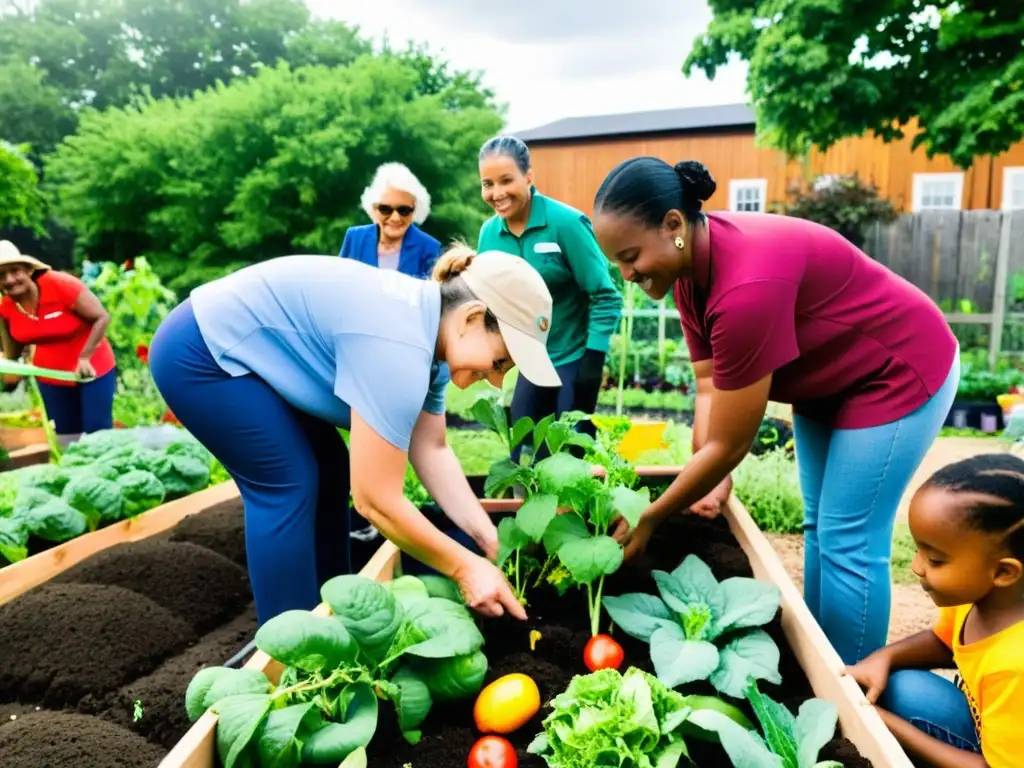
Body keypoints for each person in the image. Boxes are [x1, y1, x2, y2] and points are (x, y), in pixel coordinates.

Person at [590, 156, 959, 665]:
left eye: (630, 256)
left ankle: (854, 687)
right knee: (819, 530)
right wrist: (710, 475)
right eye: (617, 262)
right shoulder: (689, 272)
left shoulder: (744, 289)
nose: (626, 274)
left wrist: (652, 516)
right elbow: (708, 386)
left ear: (672, 224)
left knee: (848, 539)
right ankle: (820, 663)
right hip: (829, 378)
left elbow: (731, 443)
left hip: (897, 368)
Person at [148, 244, 560, 626]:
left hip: (236, 352)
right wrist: (465, 567)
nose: (495, 378)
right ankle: (290, 654)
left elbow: (430, 447)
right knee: (289, 482)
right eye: (501, 360)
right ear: (471, 318)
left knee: (329, 469)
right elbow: (375, 501)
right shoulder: (396, 347)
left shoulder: (429, 343)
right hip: (201, 353)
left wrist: (487, 539)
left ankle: (332, 615)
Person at [847, 454, 1024, 768]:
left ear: (1004, 573)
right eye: (919, 551)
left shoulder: (1015, 664)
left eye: (936, 560)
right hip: (997, 732)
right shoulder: (983, 600)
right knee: (904, 687)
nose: (916, 567)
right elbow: (943, 643)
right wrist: (882, 658)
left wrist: (884, 724)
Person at [477, 136, 621, 459]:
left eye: (506, 180)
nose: (496, 193)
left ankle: (575, 508)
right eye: (488, 184)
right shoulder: (489, 234)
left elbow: (605, 294)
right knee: (522, 454)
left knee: (568, 452)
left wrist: (593, 359)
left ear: (528, 177)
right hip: (530, 360)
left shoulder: (566, 224)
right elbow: (488, 298)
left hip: (572, 357)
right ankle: (519, 506)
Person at [0, 240, 115, 440]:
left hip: (92, 368)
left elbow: (101, 317)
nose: (9, 280)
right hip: (50, 375)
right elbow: (14, 349)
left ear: (28, 269)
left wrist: (85, 357)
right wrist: (8, 369)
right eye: (1, 275)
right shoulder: (6, 308)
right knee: (65, 435)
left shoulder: (60, 284)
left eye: (15, 271)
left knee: (98, 433)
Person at [339, 162, 441, 279]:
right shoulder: (355, 237)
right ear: (374, 208)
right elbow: (340, 283)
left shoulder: (430, 248)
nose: (395, 218)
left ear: (415, 210)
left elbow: (430, 294)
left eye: (404, 210)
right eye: (385, 209)